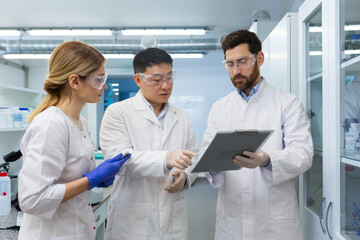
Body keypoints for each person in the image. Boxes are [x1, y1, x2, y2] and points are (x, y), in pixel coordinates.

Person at [201, 30, 314, 240]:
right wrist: (211, 164)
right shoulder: (219, 108)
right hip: (231, 221)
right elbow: (207, 152)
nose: (236, 70)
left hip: (274, 224)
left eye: (242, 61)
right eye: (230, 64)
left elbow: (303, 154)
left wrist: (267, 160)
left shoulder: (287, 103)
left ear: (259, 58)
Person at [18, 41, 131, 240]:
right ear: (75, 82)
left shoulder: (80, 122)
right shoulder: (51, 124)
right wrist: (91, 179)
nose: (104, 86)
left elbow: (69, 174)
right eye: (98, 79)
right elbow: (32, 200)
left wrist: (97, 175)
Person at [100, 47, 198, 240]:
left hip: (172, 216)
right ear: (138, 80)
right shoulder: (117, 112)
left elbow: (194, 155)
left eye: (169, 78)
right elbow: (118, 159)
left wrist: (186, 177)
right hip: (132, 220)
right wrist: (166, 159)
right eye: (157, 80)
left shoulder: (182, 116)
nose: (165, 86)